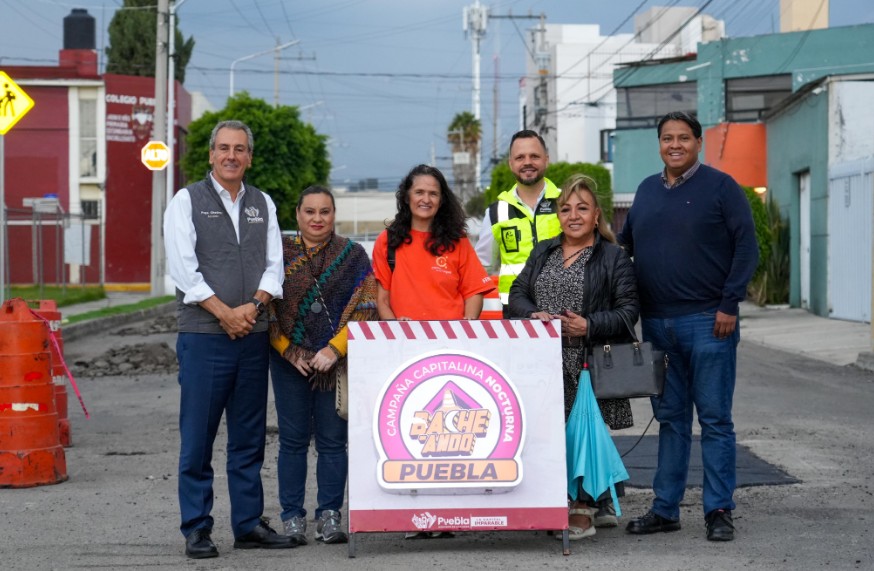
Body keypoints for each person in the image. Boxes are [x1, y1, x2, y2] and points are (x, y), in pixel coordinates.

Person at [618, 111, 758, 542]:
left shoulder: (721, 188)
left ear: (698, 142)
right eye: (666, 138)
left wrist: (729, 303)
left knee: (715, 421)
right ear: (658, 144)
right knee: (671, 422)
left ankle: (718, 510)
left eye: (683, 137)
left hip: (708, 322)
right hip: (658, 326)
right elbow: (624, 252)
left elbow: (746, 248)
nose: (674, 145)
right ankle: (665, 509)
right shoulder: (644, 191)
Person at [164, 120, 298, 559]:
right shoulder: (186, 201)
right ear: (210, 154)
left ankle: (246, 524)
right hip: (205, 337)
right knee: (198, 437)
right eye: (224, 148)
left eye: (240, 149)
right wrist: (224, 313)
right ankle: (197, 527)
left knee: (248, 437)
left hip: (251, 335)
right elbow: (185, 271)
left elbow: (274, 266)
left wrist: (253, 309)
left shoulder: (263, 203)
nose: (231, 156)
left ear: (249, 157)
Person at [508, 174, 638, 540]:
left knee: (583, 433)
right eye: (566, 209)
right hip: (543, 364)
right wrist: (532, 313)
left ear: (597, 215)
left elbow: (629, 312)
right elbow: (516, 296)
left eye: (582, 208)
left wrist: (590, 325)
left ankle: (582, 507)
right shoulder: (543, 251)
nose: (574, 215)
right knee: (554, 435)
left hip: (588, 362)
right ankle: (597, 499)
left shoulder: (613, 257)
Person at [268, 186, 378, 546]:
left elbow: (367, 306)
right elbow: (266, 308)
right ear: (297, 214)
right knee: (293, 441)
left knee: (333, 442)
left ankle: (330, 516)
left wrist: (335, 349)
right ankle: (292, 517)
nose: (317, 219)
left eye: (325, 212)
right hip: (290, 363)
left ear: (335, 214)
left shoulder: (354, 255)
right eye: (310, 211)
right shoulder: (277, 253)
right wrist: (288, 350)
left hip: (337, 364)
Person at [373, 164, 493, 322]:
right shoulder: (387, 241)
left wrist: (467, 325)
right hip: (403, 339)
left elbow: (474, 291)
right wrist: (395, 328)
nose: (426, 200)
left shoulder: (458, 240)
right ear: (407, 197)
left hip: (452, 337)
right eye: (419, 192)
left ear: (441, 200)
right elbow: (382, 300)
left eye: (433, 194)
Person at [475, 130, 562, 316]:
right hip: (516, 314)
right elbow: (481, 267)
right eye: (520, 157)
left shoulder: (565, 203)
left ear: (546, 159)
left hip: (563, 310)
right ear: (511, 164)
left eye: (534, 156)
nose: (527, 162)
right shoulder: (496, 212)